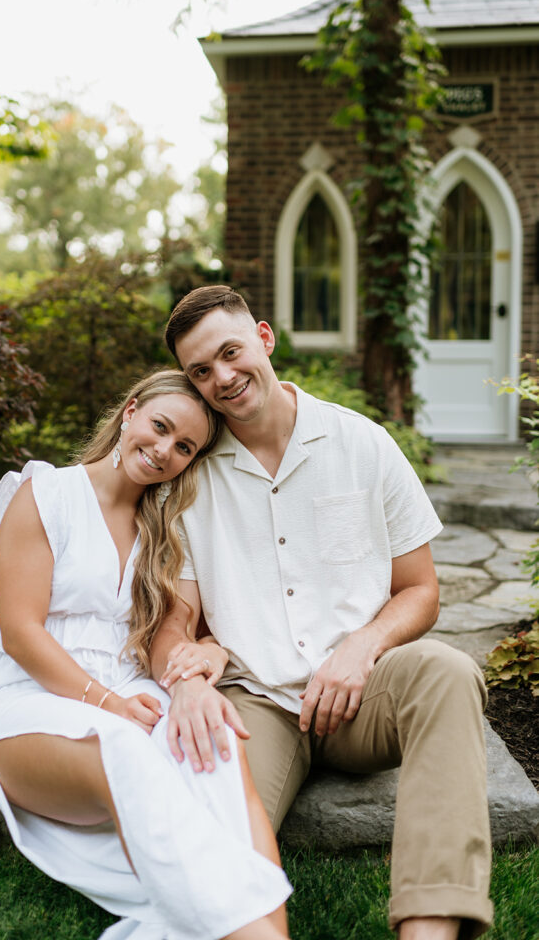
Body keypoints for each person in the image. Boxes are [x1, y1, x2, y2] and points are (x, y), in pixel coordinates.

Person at [150, 287, 493, 940]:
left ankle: (428, 929)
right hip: (255, 702)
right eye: (201, 371)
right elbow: (176, 620)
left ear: (264, 338)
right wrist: (188, 683)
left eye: (231, 352)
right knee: (211, 846)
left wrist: (361, 648)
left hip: (363, 694)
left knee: (448, 672)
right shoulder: (189, 477)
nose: (222, 377)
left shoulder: (363, 444)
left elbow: (421, 589)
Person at [0, 369, 292, 940]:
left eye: (184, 446)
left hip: (131, 686)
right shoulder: (46, 494)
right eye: (160, 427)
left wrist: (206, 656)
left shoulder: (165, 528)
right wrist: (109, 704)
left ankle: (272, 932)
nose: (165, 450)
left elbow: (179, 630)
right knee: (126, 747)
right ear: (130, 412)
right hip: (31, 696)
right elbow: (20, 632)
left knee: (211, 739)